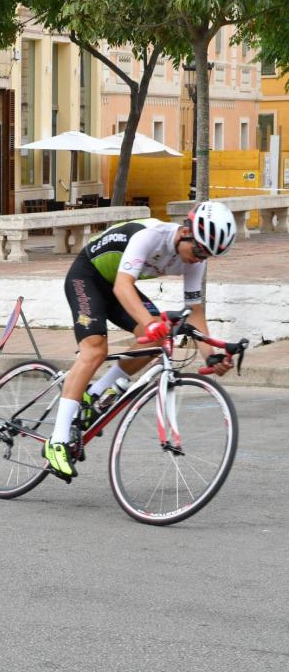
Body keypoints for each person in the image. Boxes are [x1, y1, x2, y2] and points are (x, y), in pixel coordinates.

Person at [44, 200, 238, 479]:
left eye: (207, 256)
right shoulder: (151, 237)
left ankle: (97, 392)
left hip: (116, 285)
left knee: (161, 339)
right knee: (95, 349)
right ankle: (57, 441)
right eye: (198, 250)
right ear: (186, 232)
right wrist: (149, 323)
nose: (198, 259)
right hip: (88, 276)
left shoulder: (195, 262)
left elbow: (195, 312)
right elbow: (123, 287)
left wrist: (211, 354)